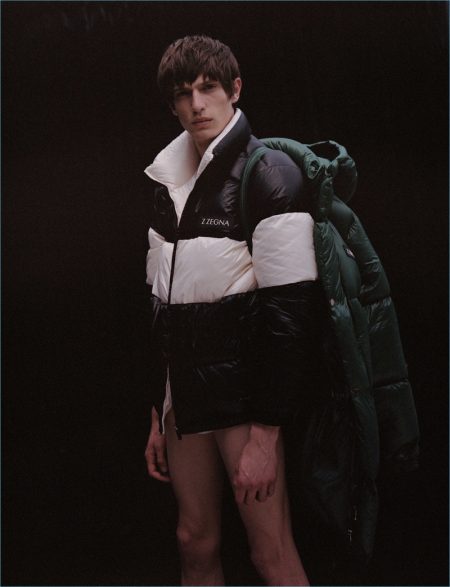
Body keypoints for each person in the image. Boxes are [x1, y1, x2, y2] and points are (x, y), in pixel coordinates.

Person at [143, 34, 329, 586]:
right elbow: (161, 306)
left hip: (247, 402)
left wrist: (266, 437)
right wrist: (159, 409)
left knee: (270, 553)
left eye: (208, 88)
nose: (196, 104)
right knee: (193, 542)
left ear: (235, 89)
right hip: (185, 398)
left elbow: (292, 320)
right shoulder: (167, 181)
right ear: (173, 105)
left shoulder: (269, 174)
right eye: (183, 93)